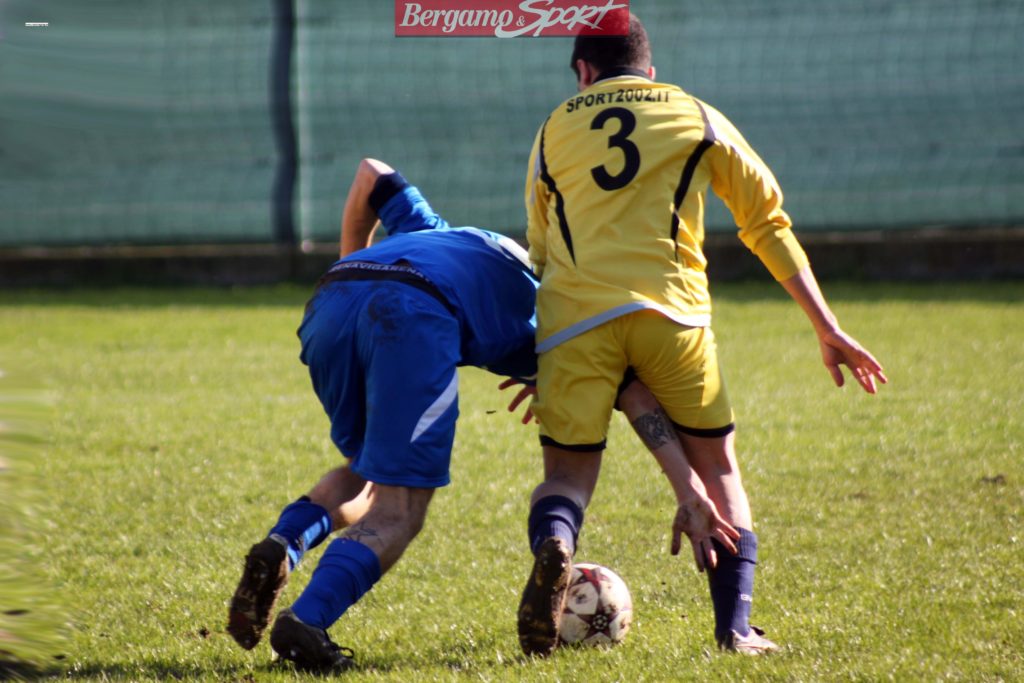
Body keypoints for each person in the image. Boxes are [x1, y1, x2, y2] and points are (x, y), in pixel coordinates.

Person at [226, 158, 730, 672]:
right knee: (399, 509)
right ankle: (307, 621)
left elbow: (371, 174)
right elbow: (634, 395)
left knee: (365, 472)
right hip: (414, 316)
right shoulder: (562, 309)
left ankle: (283, 545)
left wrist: (351, 266)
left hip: (332, 302)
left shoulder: (450, 236)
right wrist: (689, 490)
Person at [517, 12, 888, 657]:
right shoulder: (695, 115)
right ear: (649, 69)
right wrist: (826, 328)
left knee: (568, 478)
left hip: (575, 322)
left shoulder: (555, 127)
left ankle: (558, 544)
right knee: (718, 470)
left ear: (583, 72)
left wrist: (535, 352)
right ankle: (735, 628)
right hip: (674, 320)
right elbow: (766, 221)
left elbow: (541, 252)